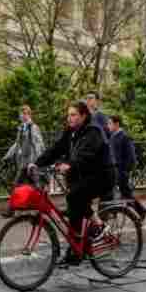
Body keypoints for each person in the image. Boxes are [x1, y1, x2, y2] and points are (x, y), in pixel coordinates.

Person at [28, 101, 111, 267]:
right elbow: (56, 149)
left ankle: (99, 227)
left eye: (73, 115)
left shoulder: (93, 131)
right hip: (82, 177)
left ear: (83, 116)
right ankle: (76, 251)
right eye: (68, 115)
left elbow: (86, 154)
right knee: (74, 207)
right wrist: (37, 163)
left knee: (74, 197)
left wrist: (70, 164)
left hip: (101, 176)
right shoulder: (71, 132)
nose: (70, 118)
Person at [0, 105, 45, 218]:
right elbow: (17, 144)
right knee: (16, 186)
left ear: (29, 115)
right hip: (23, 163)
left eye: (25, 114)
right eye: (21, 114)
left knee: (37, 187)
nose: (23, 116)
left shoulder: (33, 127)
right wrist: (7, 156)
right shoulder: (21, 128)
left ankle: (42, 209)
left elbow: (39, 144)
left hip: (32, 163)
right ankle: (11, 210)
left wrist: (36, 162)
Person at [107, 115, 146, 220]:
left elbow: (131, 156)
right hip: (114, 170)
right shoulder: (112, 136)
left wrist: (125, 170)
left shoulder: (124, 136)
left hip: (121, 171)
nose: (108, 126)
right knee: (122, 194)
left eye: (110, 123)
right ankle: (139, 212)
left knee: (125, 194)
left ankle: (140, 212)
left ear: (117, 124)